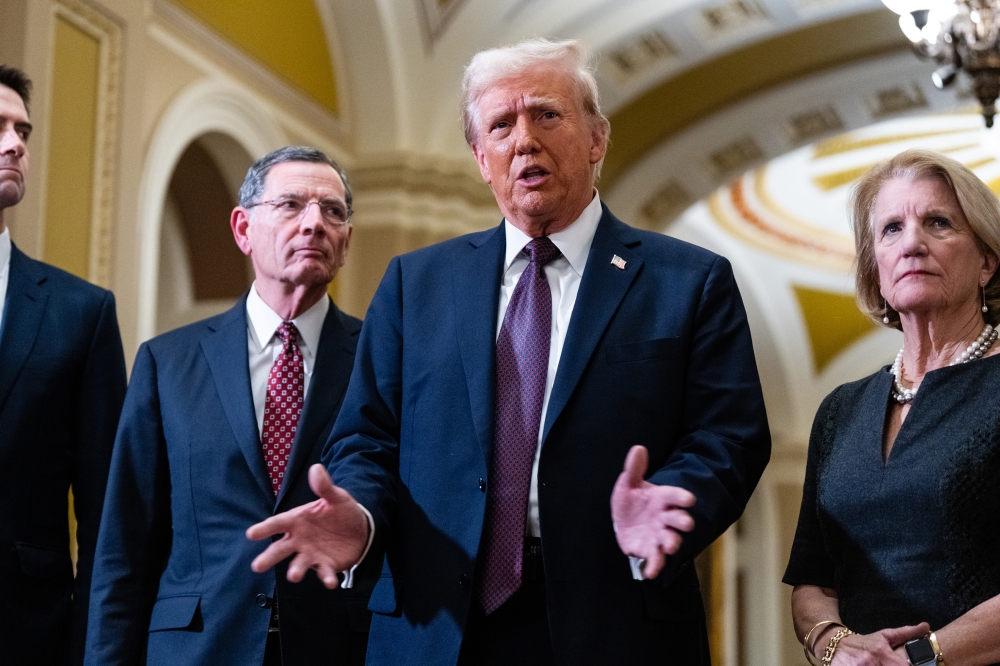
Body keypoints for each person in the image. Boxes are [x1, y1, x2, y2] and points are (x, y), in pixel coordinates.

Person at [247, 39, 771, 665]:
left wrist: (675, 497)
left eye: (546, 115)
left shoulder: (687, 280)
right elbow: (367, 438)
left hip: (616, 617)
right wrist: (359, 517)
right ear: (480, 157)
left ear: (596, 138)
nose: (524, 139)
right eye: (501, 124)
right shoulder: (417, 284)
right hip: (436, 624)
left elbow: (729, 435)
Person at [85, 147, 377, 666]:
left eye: (333, 211)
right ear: (243, 229)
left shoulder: (380, 359)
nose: (314, 223)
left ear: (347, 241)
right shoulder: (167, 362)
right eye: (291, 205)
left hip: (338, 645)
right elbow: (124, 550)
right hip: (196, 645)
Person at [785, 149, 1000, 666]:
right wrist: (836, 645)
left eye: (939, 223)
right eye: (891, 230)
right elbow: (811, 580)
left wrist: (922, 657)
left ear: (987, 262)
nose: (913, 244)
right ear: (875, 270)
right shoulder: (840, 409)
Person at [0, 65, 127, 665]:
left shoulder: (83, 313)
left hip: (29, 630)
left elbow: (108, 509)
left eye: (22, 130)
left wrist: (95, 649)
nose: (15, 143)